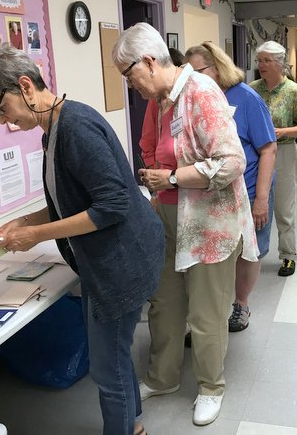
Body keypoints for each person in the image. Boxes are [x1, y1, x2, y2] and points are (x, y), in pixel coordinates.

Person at [0, 44, 165, 435]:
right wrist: (24, 220)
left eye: (0, 109)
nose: (3, 121)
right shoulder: (53, 130)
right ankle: (135, 425)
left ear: (25, 86)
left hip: (121, 262)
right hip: (104, 261)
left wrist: (35, 234)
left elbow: (111, 206)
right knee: (114, 355)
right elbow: (70, 200)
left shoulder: (75, 127)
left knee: (107, 369)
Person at [112, 22, 259, 427]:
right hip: (169, 215)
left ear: (148, 61)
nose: (130, 85)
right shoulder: (159, 100)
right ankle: (163, 378)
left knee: (208, 312)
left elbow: (232, 162)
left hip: (210, 220)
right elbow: (151, 147)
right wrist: (157, 179)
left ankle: (212, 387)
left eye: (129, 75)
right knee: (165, 303)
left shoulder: (201, 92)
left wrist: (174, 177)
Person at [185, 42, 277, 332]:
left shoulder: (247, 98)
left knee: (250, 251)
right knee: (219, 254)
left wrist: (261, 198)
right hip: (213, 192)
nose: (193, 78)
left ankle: (241, 304)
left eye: (198, 71)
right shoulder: (197, 98)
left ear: (218, 68)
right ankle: (212, 314)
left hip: (249, 189)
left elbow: (268, 148)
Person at [250, 41, 297, 277]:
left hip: (283, 153)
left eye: (267, 60)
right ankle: (251, 253)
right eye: (260, 60)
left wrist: (283, 132)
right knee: (255, 203)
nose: (262, 65)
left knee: (283, 206)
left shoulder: (292, 91)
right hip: (255, 154)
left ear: (280, 64)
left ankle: (288, 255)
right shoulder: (252, 89)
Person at [139, 47, 184, 169]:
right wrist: (151, 166)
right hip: (163, 170)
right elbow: (147, 135)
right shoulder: (156, 98)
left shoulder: (190, 94)